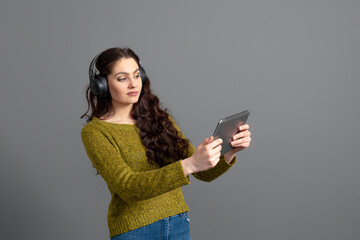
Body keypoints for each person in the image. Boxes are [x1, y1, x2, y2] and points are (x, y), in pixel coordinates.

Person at [80, 47, 252, 240]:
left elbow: (204, 173)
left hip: (177, 224)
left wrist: (230, 151)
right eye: (122, 78)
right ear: (101, 85)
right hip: (135, 232)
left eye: (137, 76)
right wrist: (188, 165)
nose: (133, 84)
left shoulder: (159, 118)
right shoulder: (95, 132)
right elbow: (128, 187)